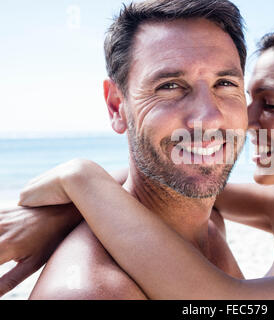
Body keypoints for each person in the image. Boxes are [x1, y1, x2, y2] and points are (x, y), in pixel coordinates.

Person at [3, 17, 274, 299]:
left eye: (270, 105)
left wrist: (81, 178)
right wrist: (63, 214)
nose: (241, 121)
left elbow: (223, 302)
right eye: (245, 95)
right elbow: (174, 179)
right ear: (117, 104)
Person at [0, 0, 250, 299]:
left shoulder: (211, 223)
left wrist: (80, 191)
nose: (208, 117)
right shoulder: (92, 292)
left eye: (224, 82)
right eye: (169, 86)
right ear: (117, 106)